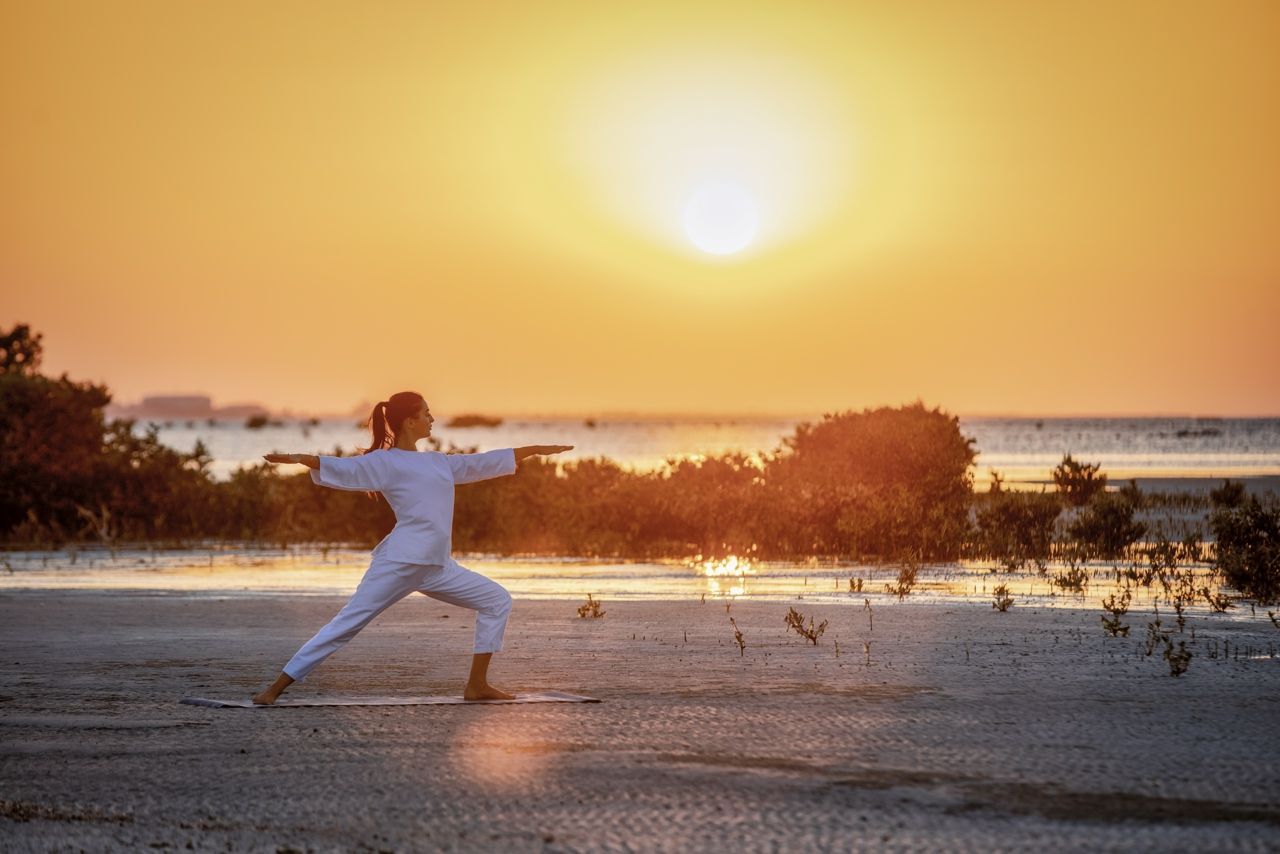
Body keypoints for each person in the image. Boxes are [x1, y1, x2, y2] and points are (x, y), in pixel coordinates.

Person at [251, 391, 571, 704]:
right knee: (347, 624)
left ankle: (477, 684)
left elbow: (482, 462)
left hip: (437, 567)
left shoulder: (438, 462)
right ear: (408, 421)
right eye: (426, 413)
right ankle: (275, 689)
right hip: (399, 564)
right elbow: (342, 468)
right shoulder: (385, 462)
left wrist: (535, 449)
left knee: (496, 600)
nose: (432, 419)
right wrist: (299, 459)